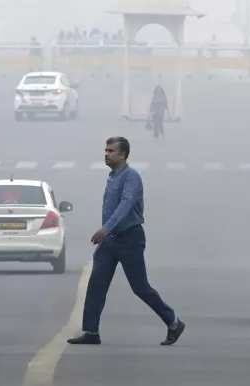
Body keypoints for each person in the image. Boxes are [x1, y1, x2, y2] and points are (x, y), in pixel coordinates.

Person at [68, 136, 185, 346]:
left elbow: (126, 204)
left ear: (123, 155)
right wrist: (107, 234)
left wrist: (106, 228)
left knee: (140, 287)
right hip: (110, 242)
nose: (106, 154)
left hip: (130, 238)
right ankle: (91, 331)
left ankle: (173, 322)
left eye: (111, 151)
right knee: (96, 285)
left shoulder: (131, 177)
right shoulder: (112, 176)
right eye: (105, 150)